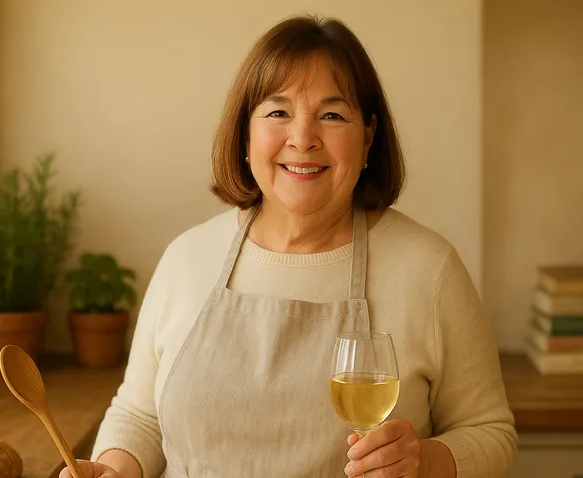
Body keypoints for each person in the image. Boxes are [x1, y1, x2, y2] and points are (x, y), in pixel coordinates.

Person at [62, 14, 516, 478]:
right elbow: (141, 416)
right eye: (278, 112)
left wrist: (426, 461)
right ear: (246, 133)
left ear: (368, 137)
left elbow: (489, 431)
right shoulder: (186, 259)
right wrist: (113, 469)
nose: (302, 139)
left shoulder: (429, 269)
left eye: (332, 115)